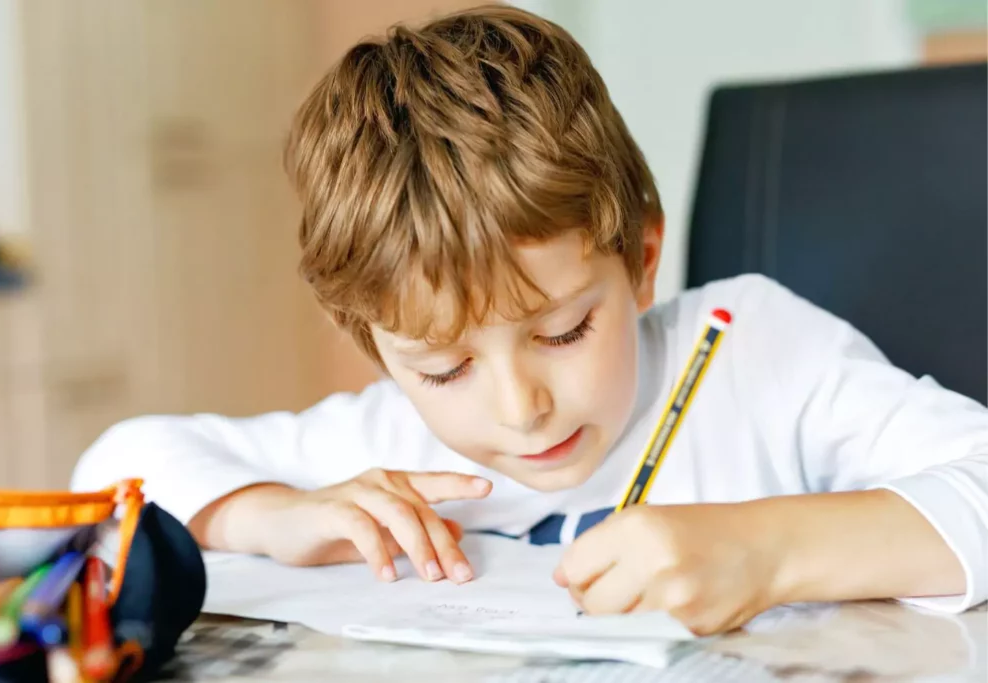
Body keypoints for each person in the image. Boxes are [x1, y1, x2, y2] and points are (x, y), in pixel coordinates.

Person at [71, 5, 988, 635]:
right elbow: (115, 462)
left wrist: (766, 551)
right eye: (442, 368)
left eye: (561, 332)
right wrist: (271, 516)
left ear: (638, 260)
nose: (519, 408)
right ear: (377, 347)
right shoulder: (394, 446)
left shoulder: (751, 350)